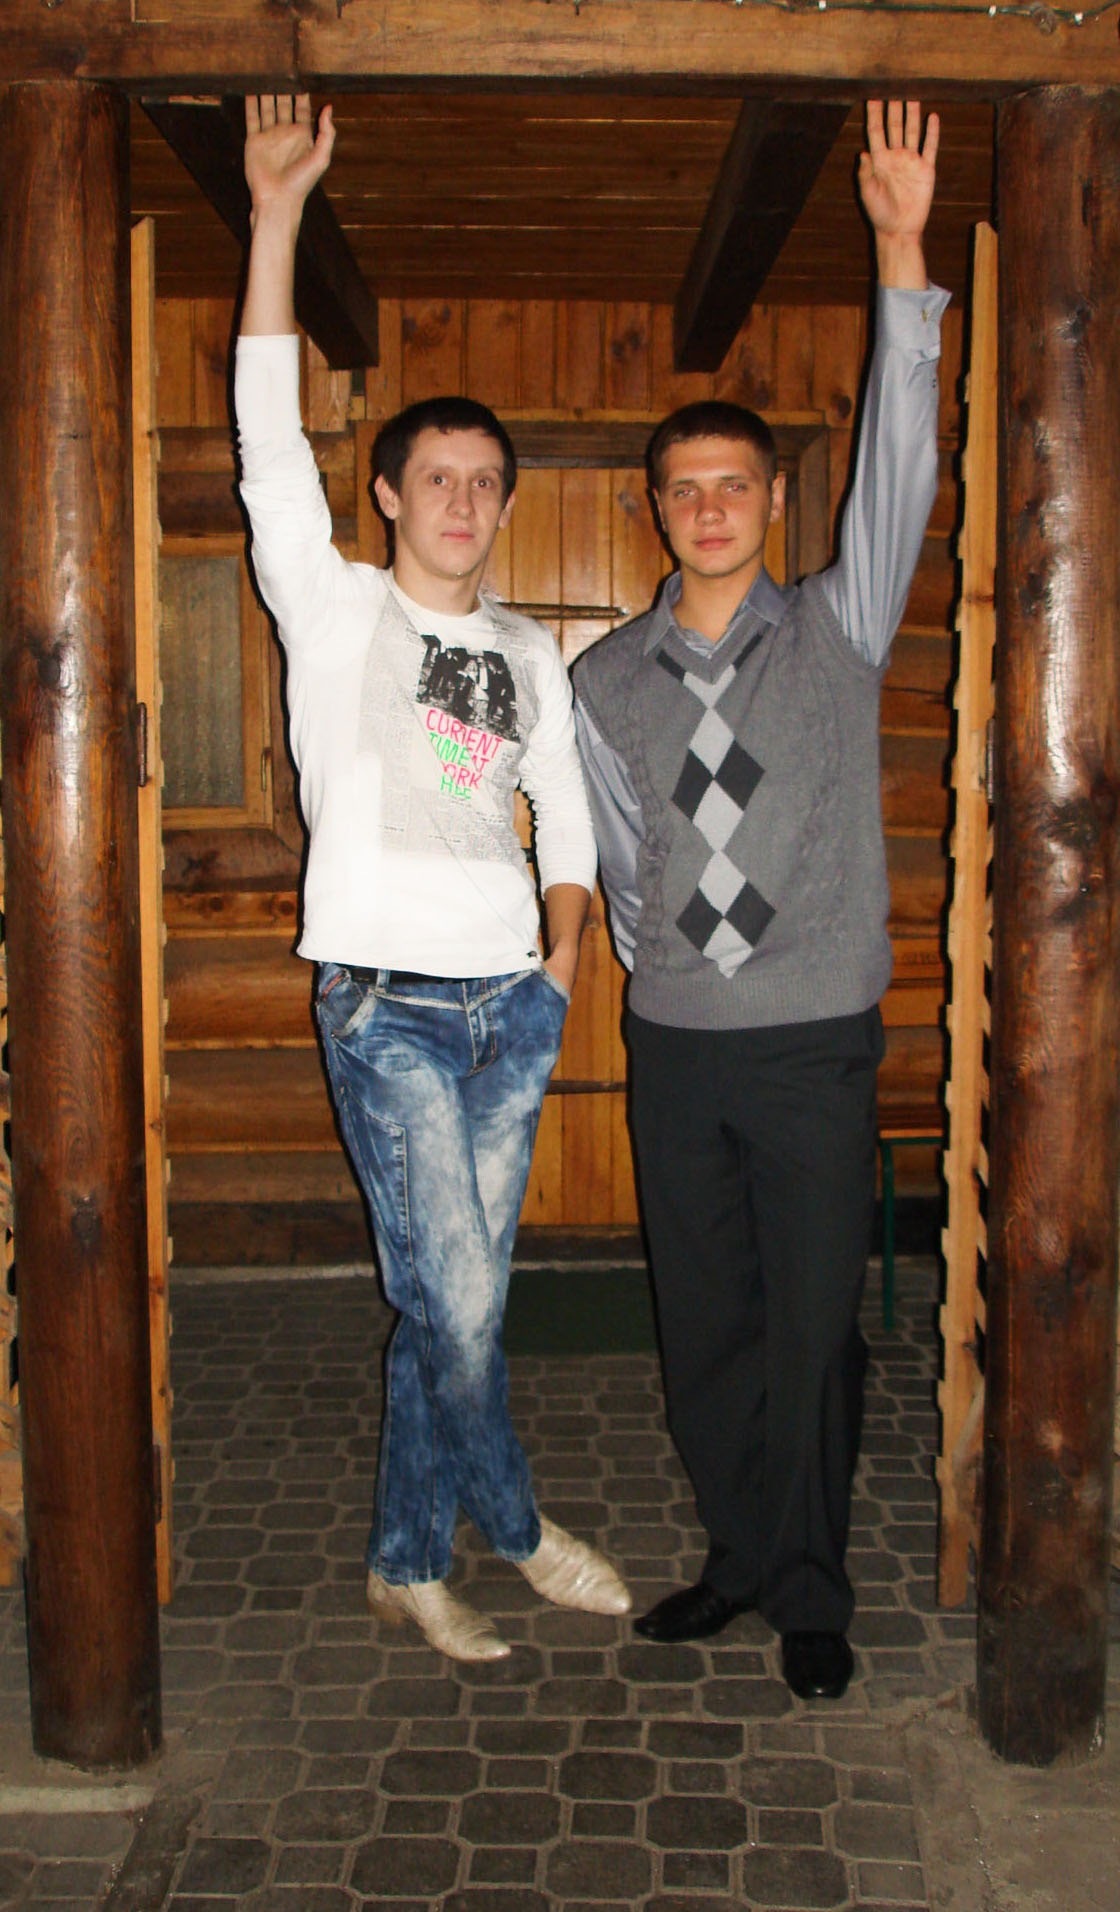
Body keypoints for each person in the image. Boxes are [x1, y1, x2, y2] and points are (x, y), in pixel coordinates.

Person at [235, 94, 630, 1663]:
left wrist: (564, 956)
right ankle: (519, 1531)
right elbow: (270, 446)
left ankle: (407, 1559)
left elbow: (564, 811)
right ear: (390, 494)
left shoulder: (528, 649)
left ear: (503, 505)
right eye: (436, 477)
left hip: (509, 1015)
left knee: (445, 1304)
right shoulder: (332, 611)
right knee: (458, 1305)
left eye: (484, 481)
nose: (461, 500)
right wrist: (277, 216)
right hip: (387, 1010)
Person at [573, 100, 944, 1701]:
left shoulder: (839, 631)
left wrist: (900, 248)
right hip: (677, 1046)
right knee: (706, 1322)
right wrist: (660, 977)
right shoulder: (604, 678)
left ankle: (809, 1587)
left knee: (811, 1327)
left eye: (736, 485)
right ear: (656, 509)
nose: (711, 507)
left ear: (775, 505)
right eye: (686, 489)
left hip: (809, 1049)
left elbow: (904, 458)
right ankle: (734, 1557)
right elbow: (619, 860)